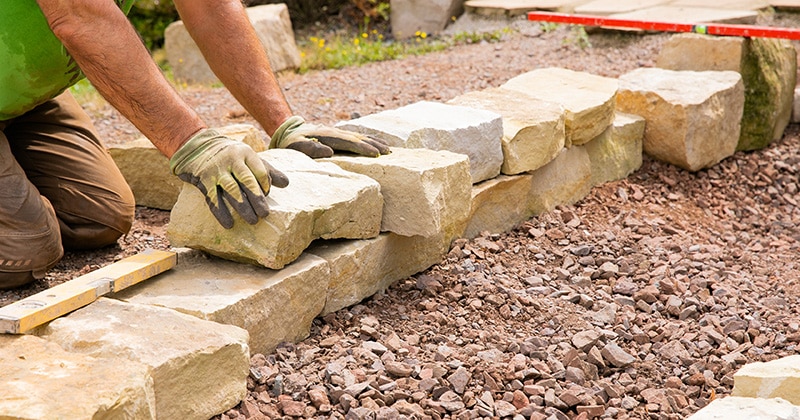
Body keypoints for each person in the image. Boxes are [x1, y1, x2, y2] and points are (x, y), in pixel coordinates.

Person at [0, 0, 390, 289]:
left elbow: (211, 7)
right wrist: (192, 142)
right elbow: (81, 17)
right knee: (26, 249)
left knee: (100, 218)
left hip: (26, 98)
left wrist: (284, 124)